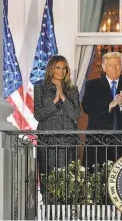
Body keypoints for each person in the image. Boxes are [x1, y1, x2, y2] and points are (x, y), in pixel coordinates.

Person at [82, 52, 122, 167]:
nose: (114, 68)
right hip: (98, 141)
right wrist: (109, 105)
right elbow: (86, 107)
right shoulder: (92, 85)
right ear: (104, 67)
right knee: (97, 178)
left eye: (117, 64)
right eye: (110, 65)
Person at [34, 55, 81, 194]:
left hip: (68, 139)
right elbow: (38, 115)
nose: (61, 71)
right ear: (51, 69)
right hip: (48, 138)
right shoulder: (40, 89)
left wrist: (64, 99)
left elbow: (76, 114)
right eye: (58, 68)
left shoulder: (72, 89)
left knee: (68, 178)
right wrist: (54, 101)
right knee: (48, 175)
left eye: (64, 68)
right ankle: (48, 208)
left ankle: (67, 210)